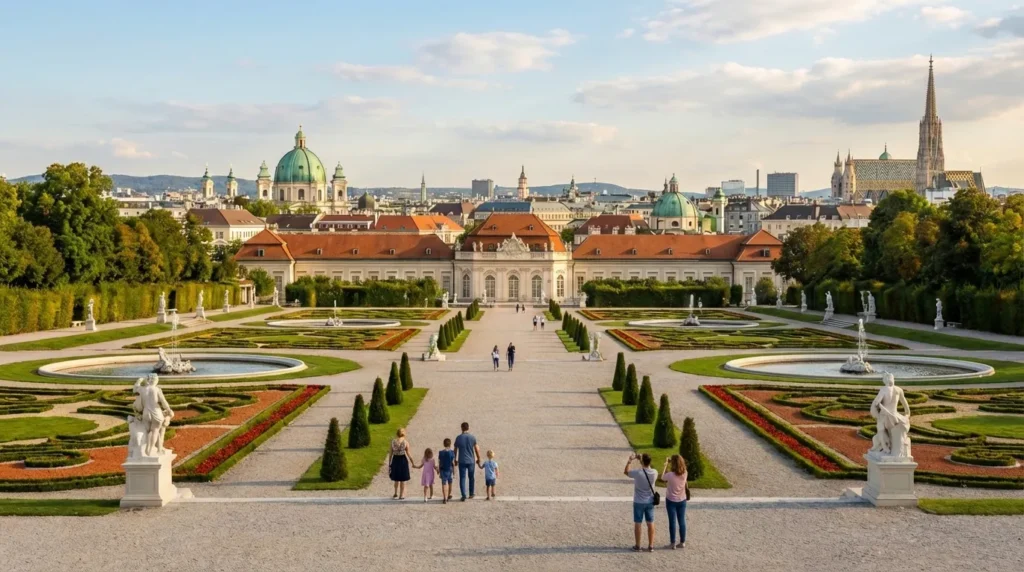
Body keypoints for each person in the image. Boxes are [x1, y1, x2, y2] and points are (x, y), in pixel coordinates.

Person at [624, 452, 658, 552]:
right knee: (650, 523)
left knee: (638, 523)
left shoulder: (638, 473)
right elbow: (647, 468)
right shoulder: (654, 473)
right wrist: (641, 460)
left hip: (639, 501)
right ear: (650, 461)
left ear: (643, 462)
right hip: (650, 501)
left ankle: (638, 546)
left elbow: (626, 472)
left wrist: (630, 460)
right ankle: (651, 545)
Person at [662, 454, 688, 549]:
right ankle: (682, 542)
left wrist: (665, 465)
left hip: (671, 500)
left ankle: (672, 543)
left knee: (672, 521)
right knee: (682, 521)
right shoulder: (685, 473)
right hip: (682, 500)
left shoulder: (670, 475)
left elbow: (662, 477)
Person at [454, 422, 480, 501]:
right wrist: (479, 458)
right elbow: (476, 449)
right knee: (471, 477)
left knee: (462, 477)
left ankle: (463, 494)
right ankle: (471, 493)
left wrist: (454, 459)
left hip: (462, 460)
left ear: (461, 428)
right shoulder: (472, 437)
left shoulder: (458, 438)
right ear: (468, 428)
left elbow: (455, 450)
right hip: (471, 460)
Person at [388, 427, 412, 500]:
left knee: (396, 478)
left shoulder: (393, 442)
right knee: (402, 479)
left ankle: (395, 493)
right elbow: (408, 454)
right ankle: (401, 495)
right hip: (402, 460)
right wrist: (412, 462)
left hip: (395, 459)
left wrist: (389, 463)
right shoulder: (405, 442)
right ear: (403, 434)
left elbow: (390, 454)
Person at [438, 438, 456, 504]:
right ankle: (448, 495)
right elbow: (453, 463)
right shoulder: (452, 453)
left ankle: (444, 498)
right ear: (450, 444)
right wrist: (454, 472)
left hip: (443, 470)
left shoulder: (441, 453)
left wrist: (439, 471)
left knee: (444, 484)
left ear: (444, 444)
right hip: (450, 470)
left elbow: (440, 463)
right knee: (450, 483)